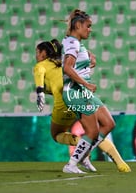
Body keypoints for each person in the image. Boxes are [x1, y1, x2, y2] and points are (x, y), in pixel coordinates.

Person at [34, 39, 130, 173]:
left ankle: (79, 151)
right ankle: (119, 162)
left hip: (65, 104)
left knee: (57, 134)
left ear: (44, 53)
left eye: (37, 52)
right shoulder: (64, 59)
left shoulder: (41, 65)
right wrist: (90, 56)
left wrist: (39, 92)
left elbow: (39, 75)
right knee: (95, 130)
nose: (36, 56)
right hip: (80, 96)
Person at [61, 9, 127, 173]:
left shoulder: (75, 43)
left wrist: (90, 56)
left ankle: (84, 156)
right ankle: (71, 165)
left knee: (109, 123)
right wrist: (86, 83)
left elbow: (74, 59)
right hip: (75, 91)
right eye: (88, 26)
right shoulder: (72, 43)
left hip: (83, 91)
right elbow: (67, 68)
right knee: (92, 131)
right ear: (78, 25)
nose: (90, 29)